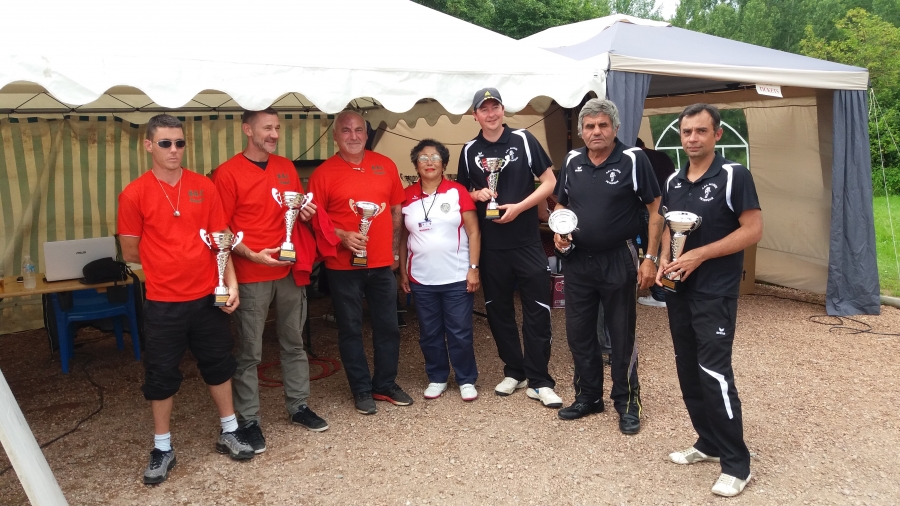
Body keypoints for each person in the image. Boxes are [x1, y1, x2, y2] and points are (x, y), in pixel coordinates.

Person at [118, 114, 254, 485]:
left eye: (179, 143)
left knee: (219, 363)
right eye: (165, 143)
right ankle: (162, 446)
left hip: (209, 295)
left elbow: (220, 238)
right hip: (164, 302)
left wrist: (232, 283)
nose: (174, 150)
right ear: (149, 145)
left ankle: (229, 430)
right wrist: (170, 263)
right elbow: (130, 250)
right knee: (161, 374)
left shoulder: (203, 186)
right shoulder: (134, 193)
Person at [656, 103, 761, 497]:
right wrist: (666, 257)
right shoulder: (674, 180)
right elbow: (669, 227)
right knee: (687, 368)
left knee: (714, 373)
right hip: (677, 290)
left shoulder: (734, 175)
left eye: (701, 131)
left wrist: (702, 254)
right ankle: (708, 442)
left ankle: (737, 463)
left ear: (717, 134)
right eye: (686, 132)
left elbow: (753, 230)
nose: (692, 139)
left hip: (714, 291)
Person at [212, 108, 327, 455]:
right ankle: (248, 420)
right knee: (250, 351)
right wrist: (250, 254)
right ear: (248, 130)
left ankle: (299, 406)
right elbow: (222, 230)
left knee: (293, 342)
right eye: (267, 127)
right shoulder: (228, 173)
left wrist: (305, 213)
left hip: (288, 272)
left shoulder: (286, 167)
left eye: (277, 127)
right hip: (250, 275)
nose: (274, 133)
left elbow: (292, 213)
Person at [552, 99, 662, 434]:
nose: (596, 132)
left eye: (602, 125)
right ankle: (588, 397)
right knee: (579, 333)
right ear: (582, 131)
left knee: (620, 334)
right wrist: (561, 233)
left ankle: (628, 403)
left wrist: (650, 259)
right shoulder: (572, 160)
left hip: (619, 256)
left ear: (614, 128)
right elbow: (561, 204)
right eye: (589, 126)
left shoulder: (633, 159)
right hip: (578, 260)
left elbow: (656, 209)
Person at [456, 87, 562, 408]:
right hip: (491, 246)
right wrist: (476, 195)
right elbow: (461, 193)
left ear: (503, 110)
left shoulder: (524, 140)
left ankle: (540, 379)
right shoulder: (469, 149)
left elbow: (549, 182)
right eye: (484, 109)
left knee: (537, 309)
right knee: (498, 310)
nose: (491, 113)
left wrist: (521, 206)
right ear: (474, 115)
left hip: (526, 241)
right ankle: (514, 370)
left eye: (495, 107)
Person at [308, 109, 413, 415]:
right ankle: (361, 388)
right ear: (335, 135)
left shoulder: (385, 165)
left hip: (381, 264)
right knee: (350, 328)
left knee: (388, 326)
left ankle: (385, 384)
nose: (352, 136)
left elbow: (396, 212)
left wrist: (394, 252)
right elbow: (315, 219)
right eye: (346, 131)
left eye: (358, 130)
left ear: (367, 134)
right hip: (342, 267)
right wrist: (341, 235)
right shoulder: (323, 173)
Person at [398, 139, 481, 401]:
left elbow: (474, 232)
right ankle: (437, 376)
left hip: (457, 276)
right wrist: (402, 272)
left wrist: (474, 269)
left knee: (459, 331)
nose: (429, 162)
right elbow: (401, 239)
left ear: (444, 163)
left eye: (435, 157)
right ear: (415, 164)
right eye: (423, 158)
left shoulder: (458, 192)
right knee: (430, 332)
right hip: (421, 278)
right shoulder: (406, 196)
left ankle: (466, 378)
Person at [635, 137, 676, 308]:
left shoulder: (637, 158)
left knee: (652, 251)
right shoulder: (663, 156)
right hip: (670, 205)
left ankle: (660, 294)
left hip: (648, 209)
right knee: (669, 251)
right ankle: (670, 290)